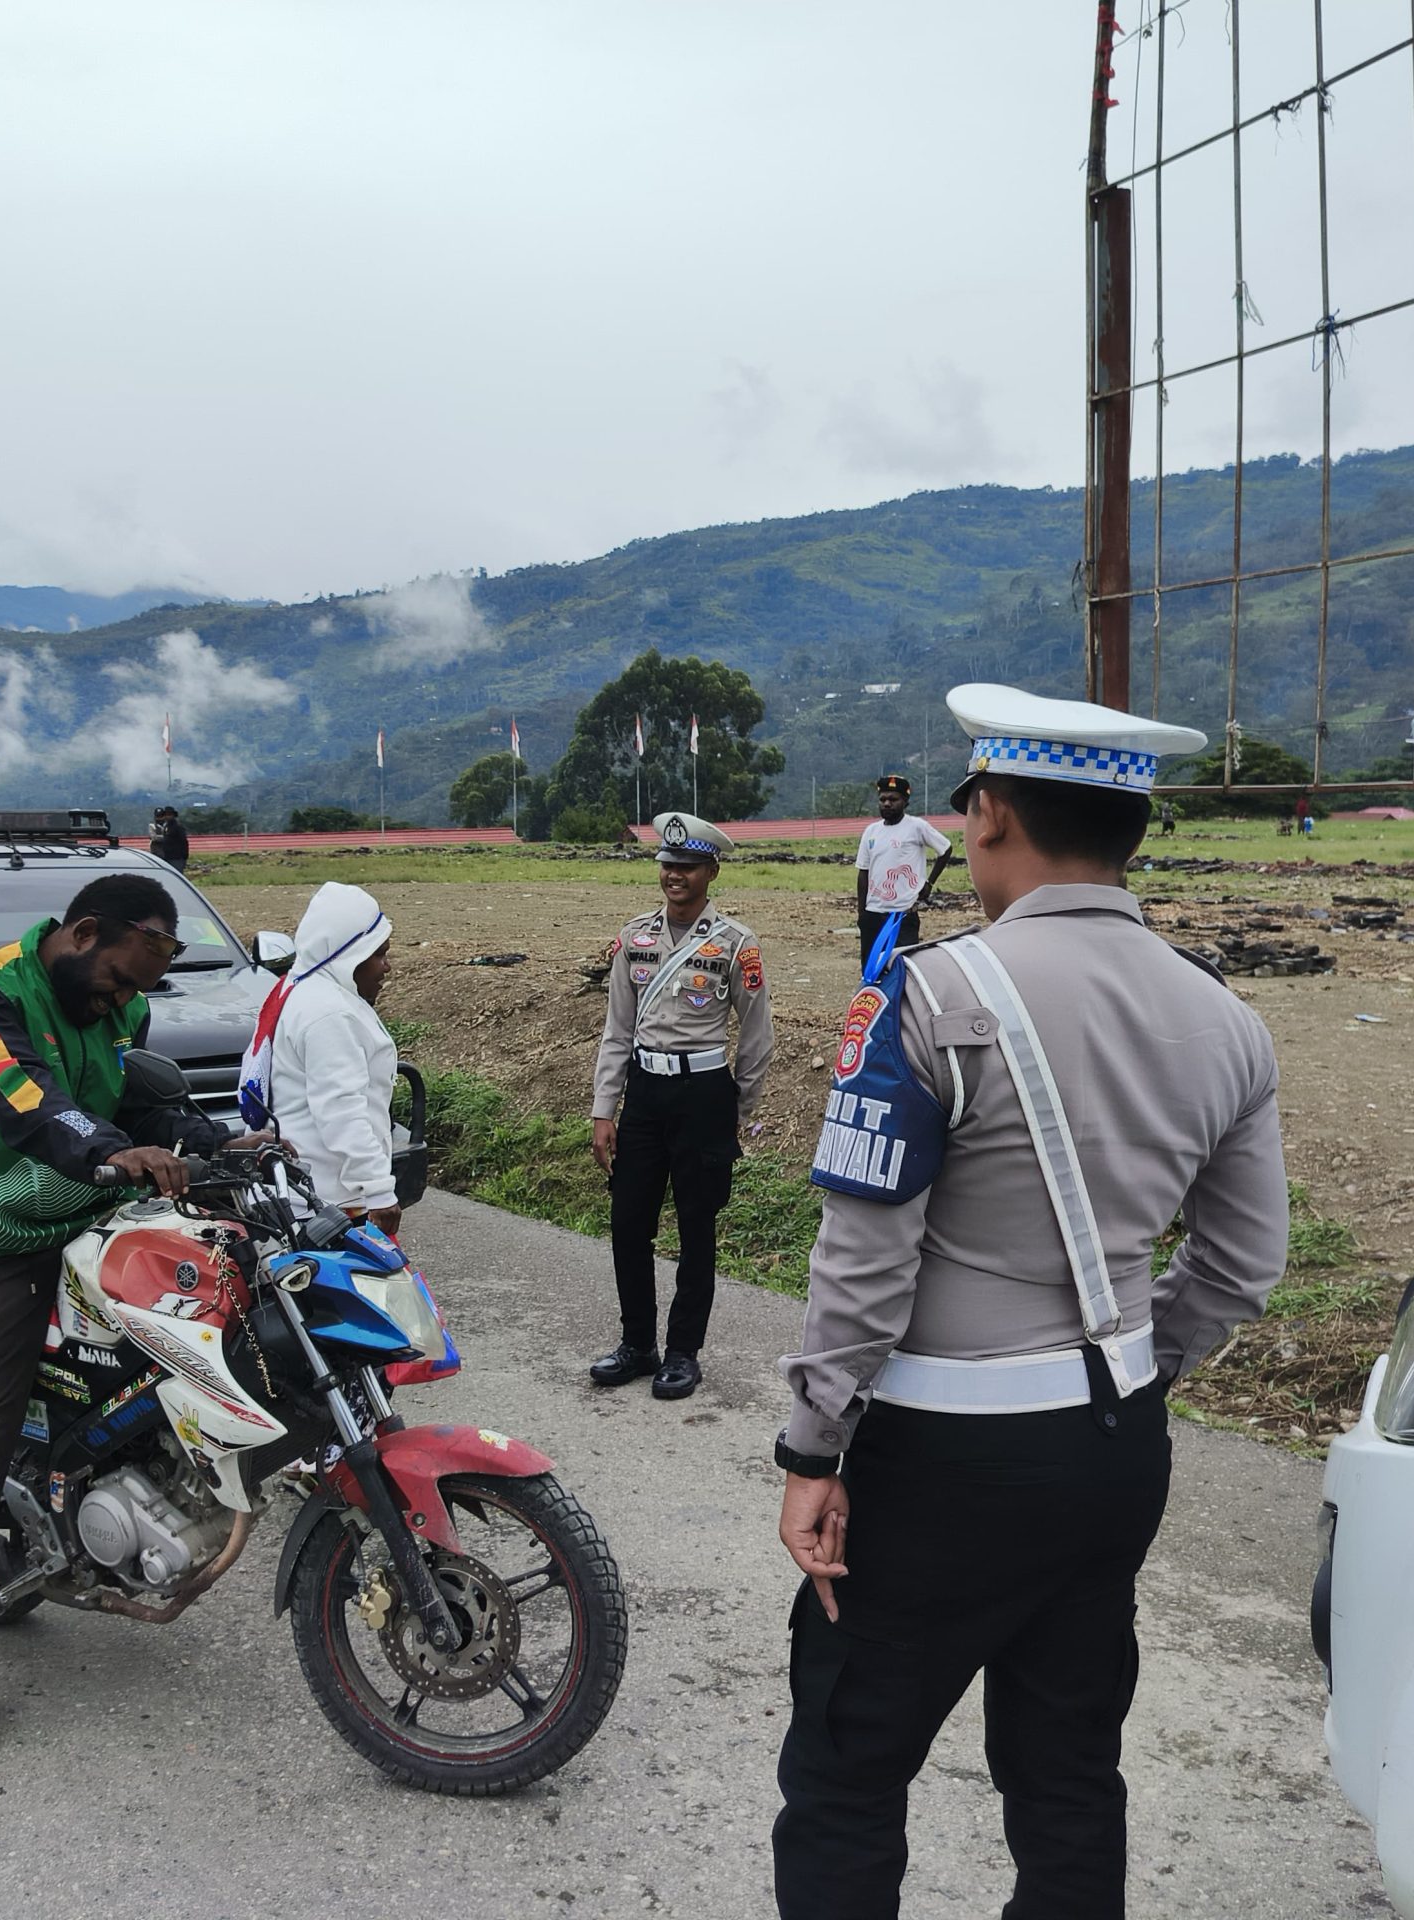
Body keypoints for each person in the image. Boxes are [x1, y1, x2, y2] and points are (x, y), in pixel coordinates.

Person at [771, 682, 1290, 1918]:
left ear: (991, 812)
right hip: (1115, 1448)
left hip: (939, 1458)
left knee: (848, 1772)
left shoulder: (927, 996)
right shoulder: (1226, 1017)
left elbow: (865, 1263)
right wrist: (1124, 1366)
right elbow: (1239, 1264)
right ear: (1129, 834)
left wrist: (810, 1445)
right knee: (1066, 1771)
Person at [0, 871, 257, 1766]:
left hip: (82, 1211)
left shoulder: (118, 1004)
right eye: (118, 979)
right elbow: (31, 1103)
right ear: (83, 931)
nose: (126, 1001)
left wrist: (218, 1139)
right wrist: (113, 1151)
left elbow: (131, 1096)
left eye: (139, 989)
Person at [587, 810, 774, 1402]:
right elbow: (617, 1030)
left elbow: (757, 1035)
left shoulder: (736, 944)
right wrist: (603, 1109)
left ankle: (683, 1353)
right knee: (627, 1225)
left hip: (704, 1095)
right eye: (668, 865)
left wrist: (735, 1109)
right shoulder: (634, 938)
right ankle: (637, 1344)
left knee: (697, 1230)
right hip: (644, 1092)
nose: (675, 875)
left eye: (687, 866)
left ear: (711, 871)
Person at [238, 880, 401, 1236]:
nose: (386, 967)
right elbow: (341, 1109)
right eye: (378, 953)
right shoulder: (330, 1013)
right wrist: (379, 1191)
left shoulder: (295, 988)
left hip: (298, 1194)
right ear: (347, 954)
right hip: (327, 1206)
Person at [853, 773, 952, 965]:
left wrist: (929, 883)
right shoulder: (871, 831)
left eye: (893, 799)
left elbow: (945, 848)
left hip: (903, 914)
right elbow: (863, 872)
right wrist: (862, 913)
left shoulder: (917, 827)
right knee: (871, 968)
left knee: (901, 967)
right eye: (883, 799)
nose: (887, 804)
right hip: (874, 913)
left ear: (905, 801)